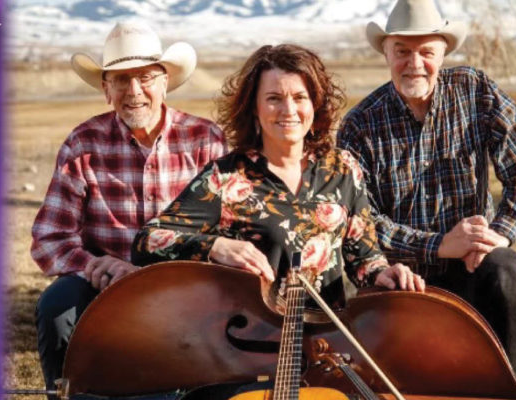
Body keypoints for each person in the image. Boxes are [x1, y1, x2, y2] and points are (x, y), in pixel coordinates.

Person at [336, 0, 516, 388]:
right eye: (402, 51)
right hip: (403, 277)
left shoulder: (475, 91)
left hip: (473, 264)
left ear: (443, 53)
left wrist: (500, 233)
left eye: (426, 52)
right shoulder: (359, 125)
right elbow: (360, 222)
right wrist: (438, 245)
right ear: (386, 53)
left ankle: (514, 392)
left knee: (504, 267)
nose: (414, 63)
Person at [131, 44, 425, 315]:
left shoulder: (343, 168)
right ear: (254, 108)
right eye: (274, 99)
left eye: (299, 97)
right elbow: (147, 242)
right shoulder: (226, 178)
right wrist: (216, 246)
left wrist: (383, 273)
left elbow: (364, 259)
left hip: (330, 336)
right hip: (254, 339)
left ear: (315, 104)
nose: (289, 110)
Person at [30, 21, 227, 395]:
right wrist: (97, 268)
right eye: (121, 80)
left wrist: (167, 276)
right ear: (106, 89)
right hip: (104, 286)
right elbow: (49, 239)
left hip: (183, 284)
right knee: (57, 306)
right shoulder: (83, 142)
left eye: (145, 77)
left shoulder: (206, 140)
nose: (134, 91)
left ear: (165, 82)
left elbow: (229, 229)